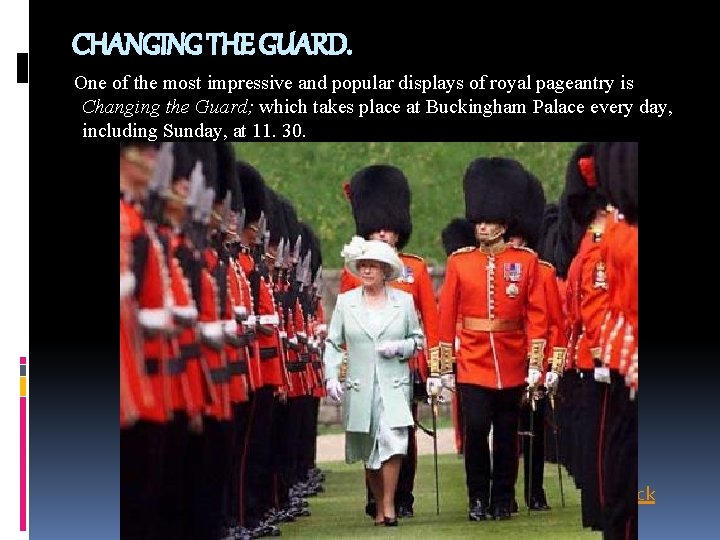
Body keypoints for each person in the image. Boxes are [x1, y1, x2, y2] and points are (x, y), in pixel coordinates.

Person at [437, 157, 548, 522]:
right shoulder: (460, 262)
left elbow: (536, 314)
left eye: (487, 221)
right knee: (476, 428)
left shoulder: (525, 262)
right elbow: (445, 317)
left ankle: (502, 497)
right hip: (472, 358)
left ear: (503, 224)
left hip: (513, 358)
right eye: (479, 221)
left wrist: (535, 363)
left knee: (506, 433)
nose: (481, 227)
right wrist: (442, 368)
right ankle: (477, 498)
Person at [339, 164, 440, 518]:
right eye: (376, 226)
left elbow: (432, 321)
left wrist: (436, 370)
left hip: (403, 364)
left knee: (402, 432)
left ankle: (403, 497)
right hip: (367, 365)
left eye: (389, 227)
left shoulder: (416, 268)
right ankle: (375, 496)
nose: (383, 233)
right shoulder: (354, 276)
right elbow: (346, 324)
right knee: (368, 430)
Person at [323, 238, 425, 527]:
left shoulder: (403, 302)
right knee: (368, 448)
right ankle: (379, 502)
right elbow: (333, 343)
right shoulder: (346, 302)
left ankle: (390, 502)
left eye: (372, 267)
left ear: (384, 271)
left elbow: (417, 340)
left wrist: (400, 348)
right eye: (363, 266)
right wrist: (331, 376)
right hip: (360, 385)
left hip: (392, 383)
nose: (367, 271)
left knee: (393, 443)